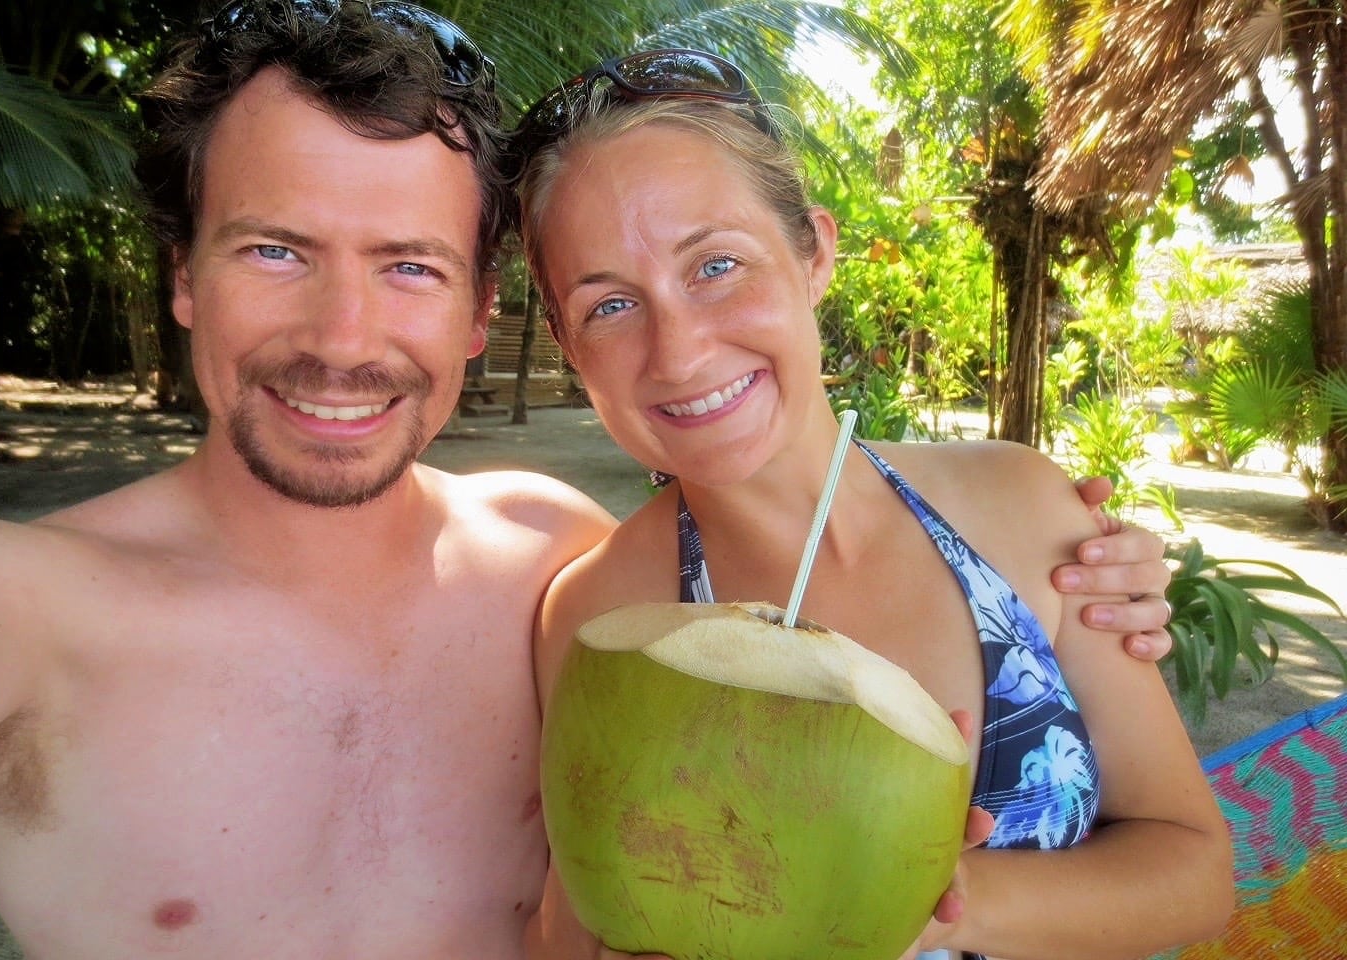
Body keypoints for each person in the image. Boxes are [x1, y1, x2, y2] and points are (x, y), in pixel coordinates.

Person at [0, 6, 1171, 958]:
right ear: (184, 274)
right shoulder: (0, 605)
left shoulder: (555, 565)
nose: (345, 337)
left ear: (478, 313)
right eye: (276, 249)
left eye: (409, 264)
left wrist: (1105, 576)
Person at [516, 51, 1233, 960]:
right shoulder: (597, 616)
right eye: (611, 305)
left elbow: (1197, 871)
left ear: (814, 252)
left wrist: (918, 898)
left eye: (717, 265)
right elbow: (574, 935)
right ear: (573, 353)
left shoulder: (1020, 508)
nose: (681, 351)